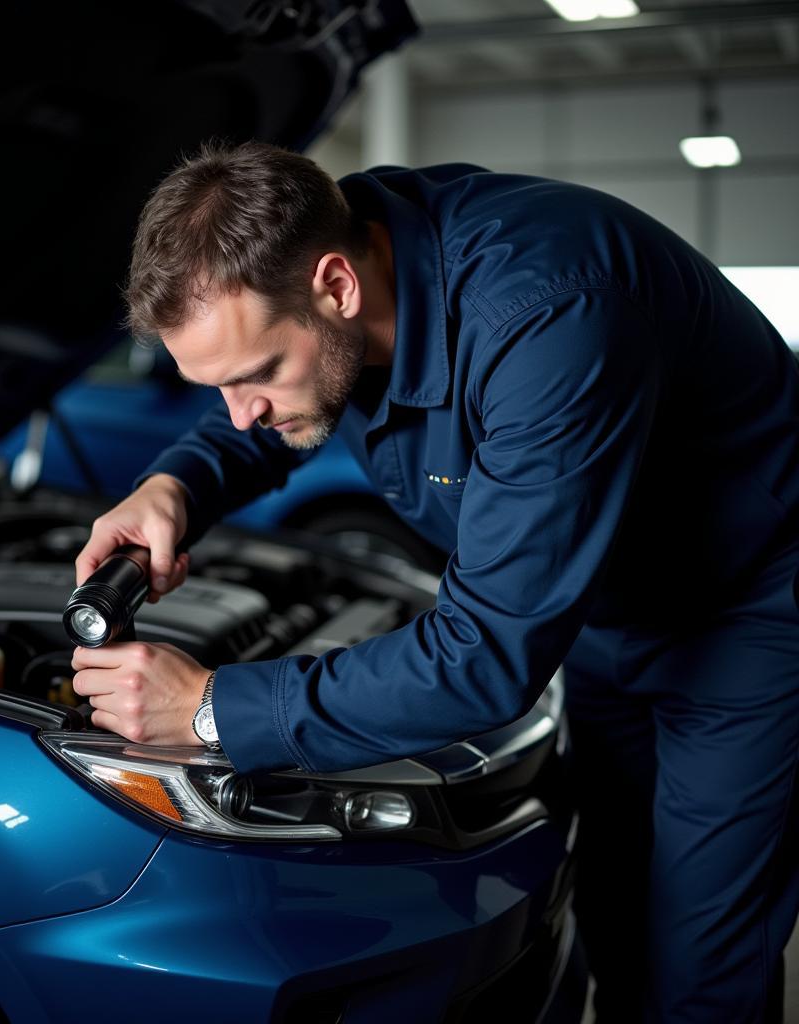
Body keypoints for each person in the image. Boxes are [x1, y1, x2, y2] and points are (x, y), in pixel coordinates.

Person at [71, 141, 799, 1022]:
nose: (243, 408)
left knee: (702, 962)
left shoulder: (547, 312)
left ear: (337, 286)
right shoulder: (346, 264)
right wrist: (173, 486)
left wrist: (211, 708)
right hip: (605, 613)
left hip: (749, 615)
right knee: (614, 906)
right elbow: (269, 412)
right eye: (219, 384)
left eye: (256, 375)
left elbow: (484, 656)